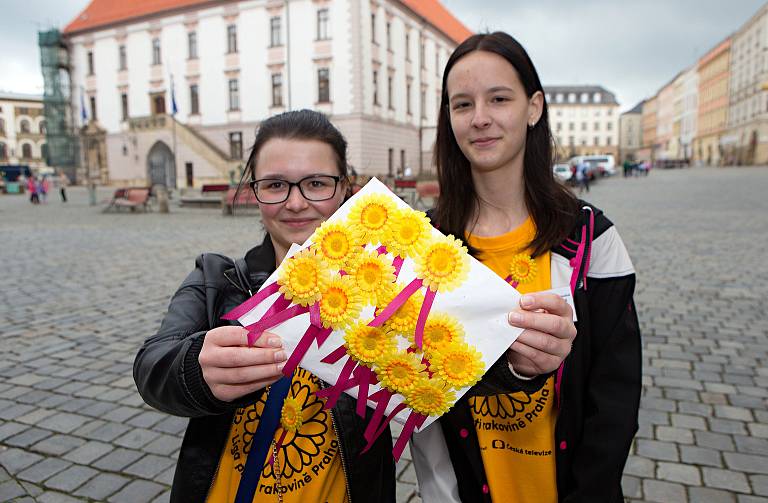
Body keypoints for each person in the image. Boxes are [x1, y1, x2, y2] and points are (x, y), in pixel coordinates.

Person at [411, 31, 641, 503]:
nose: (480, 119)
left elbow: (614, 402)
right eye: (462, 105)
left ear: (534, 107)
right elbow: (417, 395)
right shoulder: (423, 245)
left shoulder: (594, 240)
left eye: (499, 99)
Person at [133, 110, 397, 502]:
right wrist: (195, 369)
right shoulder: (217, 281)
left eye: (316, 183)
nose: (295, 203)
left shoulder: (391, 291)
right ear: (254, 191)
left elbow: (461, 365)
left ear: (344, 188)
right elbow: (153, 367)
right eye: (275, 185)